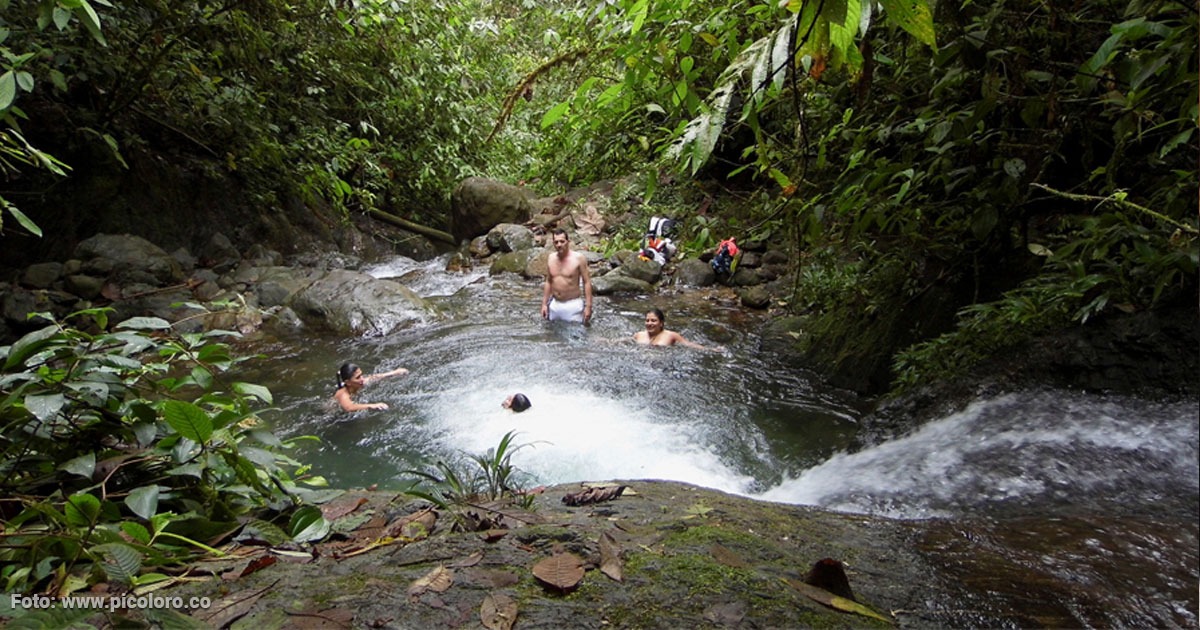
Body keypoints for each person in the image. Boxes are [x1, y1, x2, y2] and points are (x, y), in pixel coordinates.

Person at [541, 229, 594, 324]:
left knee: (576, 336)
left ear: (568, 242)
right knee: (552, 336)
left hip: (573, 305)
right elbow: (548, 281)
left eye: (562, 241)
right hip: (555, 305)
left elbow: (587, 282)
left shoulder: (579, 258)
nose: (559, 244)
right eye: (556, 242)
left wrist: (588, 306)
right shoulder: (551, 258)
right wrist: (544, 304)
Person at [633, 308, 722, 351]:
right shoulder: (639, 335)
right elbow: (626, 341)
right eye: (647, 320)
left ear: (661, 323)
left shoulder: (671, 335)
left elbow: (688, 344)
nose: (649, 323)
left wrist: (711, 349)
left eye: (653, 320)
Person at [332, 362, 409, 412]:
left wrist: (395, 372)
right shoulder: (342, 394)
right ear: (348, 382)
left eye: (361, 375)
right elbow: (349, 407)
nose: (362, 379)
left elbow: (374, 377)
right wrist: (373, 406)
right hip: (334, 415)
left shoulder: (358, 383)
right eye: (358, 377)